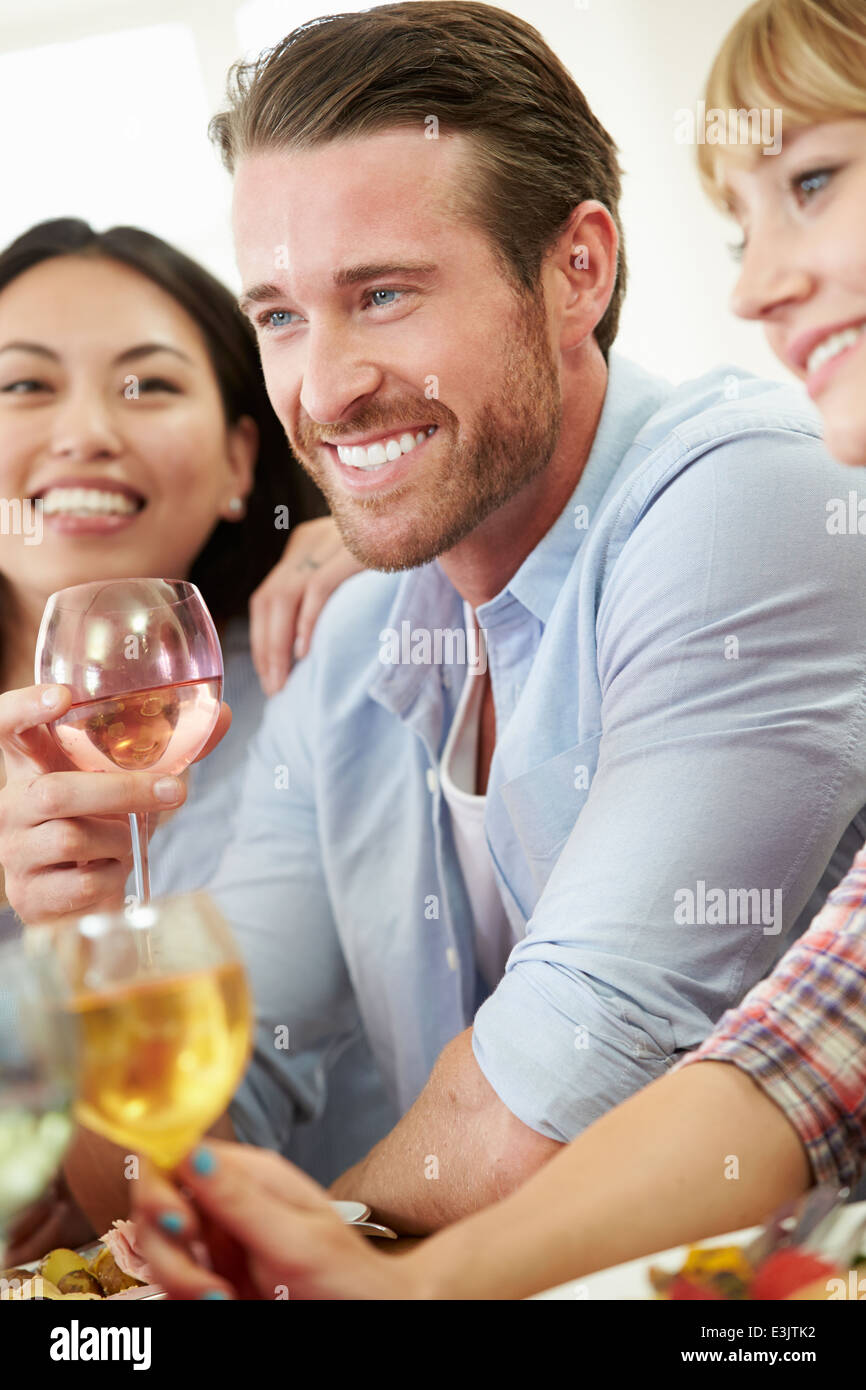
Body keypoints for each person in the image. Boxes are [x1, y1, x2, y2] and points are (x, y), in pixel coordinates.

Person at [4, 0, 866, 1245]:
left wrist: (287, 1253)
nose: (324, 386)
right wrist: (78, 939)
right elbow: (167, 1165)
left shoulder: (748, 493)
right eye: (282, 315)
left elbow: (559, 1086)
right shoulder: (354, 641)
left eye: (385, 293)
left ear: (578, 267)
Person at [0, 218, 387, 1260]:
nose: (84, 430)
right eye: (22, 386)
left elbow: (146, 1194)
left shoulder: (316, 700)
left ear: (236, 460)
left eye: (147, 386)